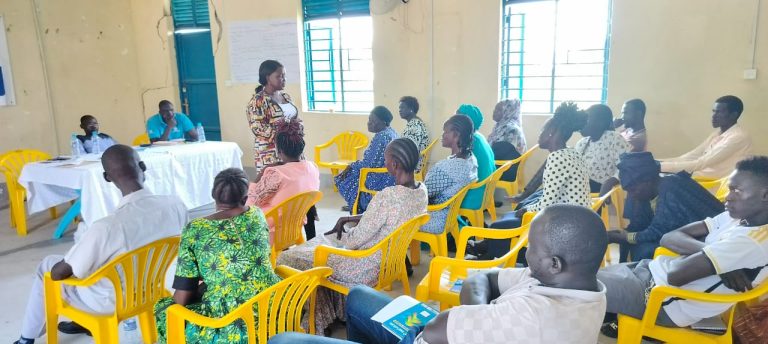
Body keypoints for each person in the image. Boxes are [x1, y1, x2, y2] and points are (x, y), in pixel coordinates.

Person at [268, 204, 609, 344]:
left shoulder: (533, 319)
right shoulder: (584, 289)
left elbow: (436, 330)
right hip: (444, 330)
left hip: (431, 333)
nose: (524, 253)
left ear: (554, 263)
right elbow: (486, 279)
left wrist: (476, 311)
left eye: (531, 247)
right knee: (357, 295)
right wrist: (482, 312)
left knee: (282, 341)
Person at [13, 145, 188, 344]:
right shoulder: (176, 205)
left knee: (48, 266)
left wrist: (77, 253)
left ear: (107, 178)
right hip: (153, 289)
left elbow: (59, 274)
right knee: (99, 257)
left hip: (109, 303)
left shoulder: (107, 227)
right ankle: (63, 324)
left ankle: (26, 338)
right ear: (142, 166)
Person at [599, 156, 768, 337]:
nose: (728, 197)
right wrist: (717, 262)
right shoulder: (736, 217)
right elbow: (668, 237)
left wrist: (713, 257)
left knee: (573, 282)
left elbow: (675, 276)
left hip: (660, 299)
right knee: (584, 274)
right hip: (650, 271)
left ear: (765, 195)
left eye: (737, 191)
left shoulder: (751, 243)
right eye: (729, 189)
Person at [277, 138, 428, 335]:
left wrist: (341, 238)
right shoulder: (420, 191)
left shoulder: (388, 196)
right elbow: (385, 218)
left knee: (289, 257)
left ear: (395, 164)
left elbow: (355, 240)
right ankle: (329, 313)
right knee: (319, 246)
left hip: (363, 265)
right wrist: (350, 218)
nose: (384, 163)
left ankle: (316, 319)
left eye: (385, 159)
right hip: (389, 261)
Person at [154, 168, 280, 343]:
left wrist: (172, 309)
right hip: (274, 307)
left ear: (214, 196)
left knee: (166, 313)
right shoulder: (257, 214)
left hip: (234, 324)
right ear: (244, 199)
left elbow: (185, 289)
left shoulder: (195, 229)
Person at [478, 102, 591, 260]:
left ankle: (488, 255)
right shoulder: (570, 152)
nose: (539, 135)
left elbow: (545, 205)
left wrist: (524, 209)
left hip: (564, 226)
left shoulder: (557, 157)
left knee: (502, 225)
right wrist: (524, 201)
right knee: (511, 217)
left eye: (542, 130)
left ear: (551, 133)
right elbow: (545, 187)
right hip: (575, 219)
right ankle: (487, 247)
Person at [606, 152, 724, 261]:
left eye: (632, 190)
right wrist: (623, 235)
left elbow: (658, 230)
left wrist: (626, 237)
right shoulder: (649, 191)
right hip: (679, 234)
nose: (631, 195)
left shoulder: (670, 188)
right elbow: (639, 225)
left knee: (645, 250)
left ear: (648, 181)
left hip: (709, 239)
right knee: (635, 243)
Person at [246, 120, 320, 241]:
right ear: (301, 148)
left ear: (279, 151)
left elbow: (253, 202)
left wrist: (260, 175)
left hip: (273, 232)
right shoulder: (313, 168)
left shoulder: (276, 174)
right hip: (295, 226)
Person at [659, 95, 752, 179]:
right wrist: (655, 162)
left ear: (733, 115)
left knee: (664, 181)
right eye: (713, 111)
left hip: (715, 186)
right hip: (699, 177)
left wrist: (659, 167)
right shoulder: (717, 134)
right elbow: (689, 157)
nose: (713, 116)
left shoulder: (738, 137)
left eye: (719, 112)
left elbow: (701, 163)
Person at [421, 115, 478, 234]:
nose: (442, 135)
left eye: (446, 132)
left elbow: (422, 194)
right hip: (449, 216)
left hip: (434, 218)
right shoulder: (470, 159)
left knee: (394, 216)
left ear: (456, 135)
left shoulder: (449, 167)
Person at [335, 106, 399, 213]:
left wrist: (351, 165)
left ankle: (358, 205)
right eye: (369, 120)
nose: (369, 123)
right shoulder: (392, 132)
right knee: (352, 172)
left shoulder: (381, 137)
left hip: (380, 178)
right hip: (391, 175)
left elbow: (369, 164)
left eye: (373, 121)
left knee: (342, 179)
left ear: (383, 122)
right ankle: (355, 203)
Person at [246, 60, 300, 173]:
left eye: (284, 75)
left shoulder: (286, 97)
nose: (284, 79)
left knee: (294, 184)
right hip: (270, 153)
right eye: (279, 76)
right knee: (275, 186)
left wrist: (297, 130)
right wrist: (286, 133)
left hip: (292, 151)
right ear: (267, 78)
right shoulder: (258, 101)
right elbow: (258, 129)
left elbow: (297, 120)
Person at [575, 104, 630, 192]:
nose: (582, 122)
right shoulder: (582, 143)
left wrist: (610, 182)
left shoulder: (614, 138)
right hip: (582, 192)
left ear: (601, 122)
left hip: (603, 194)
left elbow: (628, 166)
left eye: (586, 118)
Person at [455, 104, 495, 224]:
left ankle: (453, 232)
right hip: (483, 192)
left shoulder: (470, 141)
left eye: (456, 118)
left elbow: (459, 173)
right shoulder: (478, 137)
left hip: (474, 195)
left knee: (438, 199)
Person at [488, 99, 527, 182]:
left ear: (508, 111)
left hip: (506, 170)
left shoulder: (510, 129)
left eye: (498, 110)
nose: (494, 112)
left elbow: (495, 153)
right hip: (503, 165)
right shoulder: (501, 126)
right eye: (495, 109)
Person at [399, 96, 431, 171]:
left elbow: (410, 149)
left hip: (413, 166)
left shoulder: (415, 125)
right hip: (411, 162)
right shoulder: (415, 122)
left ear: (411, 109)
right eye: (399, 108)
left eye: (402, 108)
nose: (400, 110)